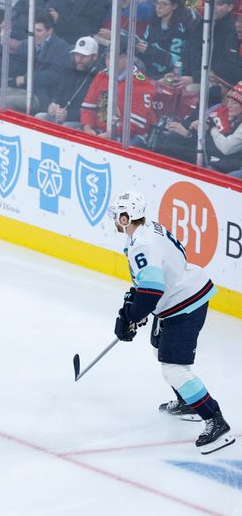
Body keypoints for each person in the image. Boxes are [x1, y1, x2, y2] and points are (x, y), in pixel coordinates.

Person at [109, 191, 235, 455]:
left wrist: (132, 315)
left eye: (115, 216)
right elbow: (159, 276)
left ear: (125, 217)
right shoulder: (149, 228)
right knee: (159, 347)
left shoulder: (142, 245)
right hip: (179, 298)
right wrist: (134, 306)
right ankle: (187, 402)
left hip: (184, 305)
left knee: (174, 370)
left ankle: (215, 420)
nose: (113, 220)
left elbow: (153, 291)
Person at [0, 10, 71, 113]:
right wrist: (3, 44)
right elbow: (7, 69)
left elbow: (54, 75)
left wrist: (25, 79)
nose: (34, 35)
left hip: (41, 96)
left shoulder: (62, 48)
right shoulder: (27, 43)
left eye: (39, 31)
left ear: (49, 31)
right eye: (33, 31)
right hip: (21, 90)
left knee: (4, 102)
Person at [81, 36, 157, 144]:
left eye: (114, 57)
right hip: (100, 133)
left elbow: (134, 126)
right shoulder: (101, 76)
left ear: (128, 58)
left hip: (129, 138)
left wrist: (108, 135)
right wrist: (87, 129)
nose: (109, 62)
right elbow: (88, 109)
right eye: (107, 57)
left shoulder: (142, 84)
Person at [35, 36, 100, 128]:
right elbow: (58, 93)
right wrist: (53, 105)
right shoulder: (70, 69)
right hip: (61, 116)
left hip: (82, 122)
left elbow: (94, 111)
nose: (79, 60)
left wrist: (69, 115)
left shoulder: (98, 77)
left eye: (84, 56)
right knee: (39, 117)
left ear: (94, 57)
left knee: (66, 126)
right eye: (77, 55)